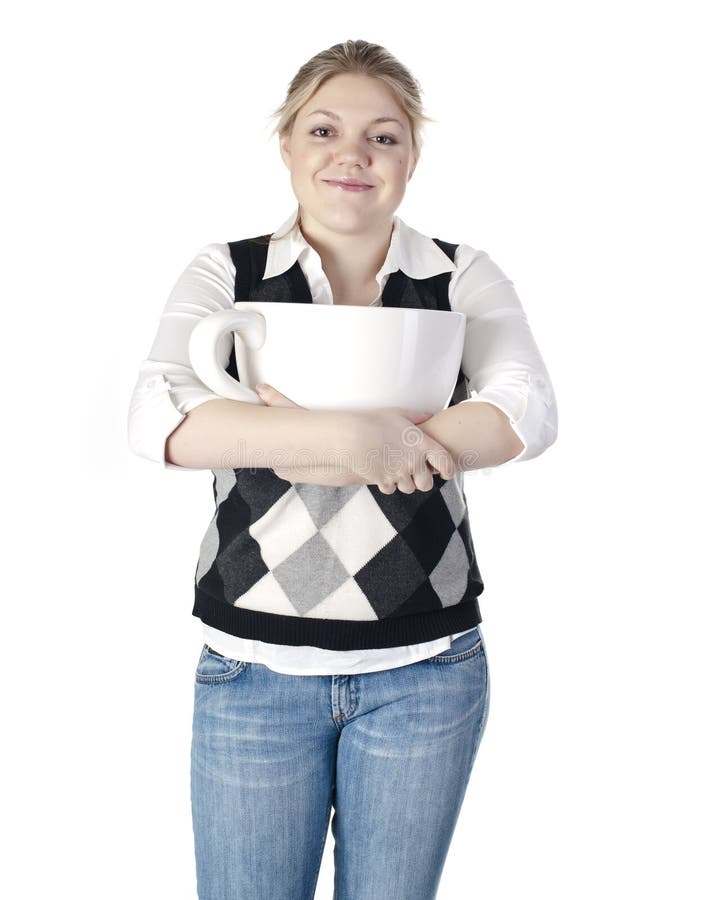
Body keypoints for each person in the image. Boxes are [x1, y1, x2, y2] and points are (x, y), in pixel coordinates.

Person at [127, 38, 557, 900]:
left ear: (412, 157)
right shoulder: (230, 272)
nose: (351, 154)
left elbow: (525, 411)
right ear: (287, 145)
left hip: (428, 667)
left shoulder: (460, 274)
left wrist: (324, 437)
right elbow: (159, 421)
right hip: (252, 668)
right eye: (323, 129)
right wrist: (348, 440)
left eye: (383, 135)